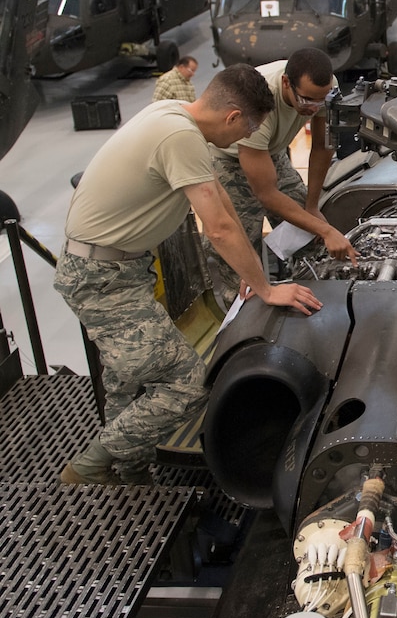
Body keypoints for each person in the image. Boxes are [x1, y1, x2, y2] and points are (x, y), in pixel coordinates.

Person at [55, 64, 324, 486]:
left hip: (120, 268)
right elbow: (216, 226)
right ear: (233, 117)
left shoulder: (177, 115)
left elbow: (223, 203)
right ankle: (88, 468)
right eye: (245, 131)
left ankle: (131, 470)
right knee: (185, 384)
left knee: (126, 377)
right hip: (102, 279)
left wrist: (250, 273)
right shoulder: (180, 137)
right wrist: (268, 290)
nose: (241, 142)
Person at [206, 47, 357, 308]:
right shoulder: (257, 100)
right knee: (241, 248)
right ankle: (243, 317)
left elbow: (322, 147)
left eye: (320, 102)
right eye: (307, 100)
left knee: (307, 231)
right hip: (229, 158)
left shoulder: (324, 90)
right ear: (286, 83)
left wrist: (312, 207)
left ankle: (312, 294)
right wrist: (327, 229)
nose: (314, 108)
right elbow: (266, 194)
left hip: (271, 152)